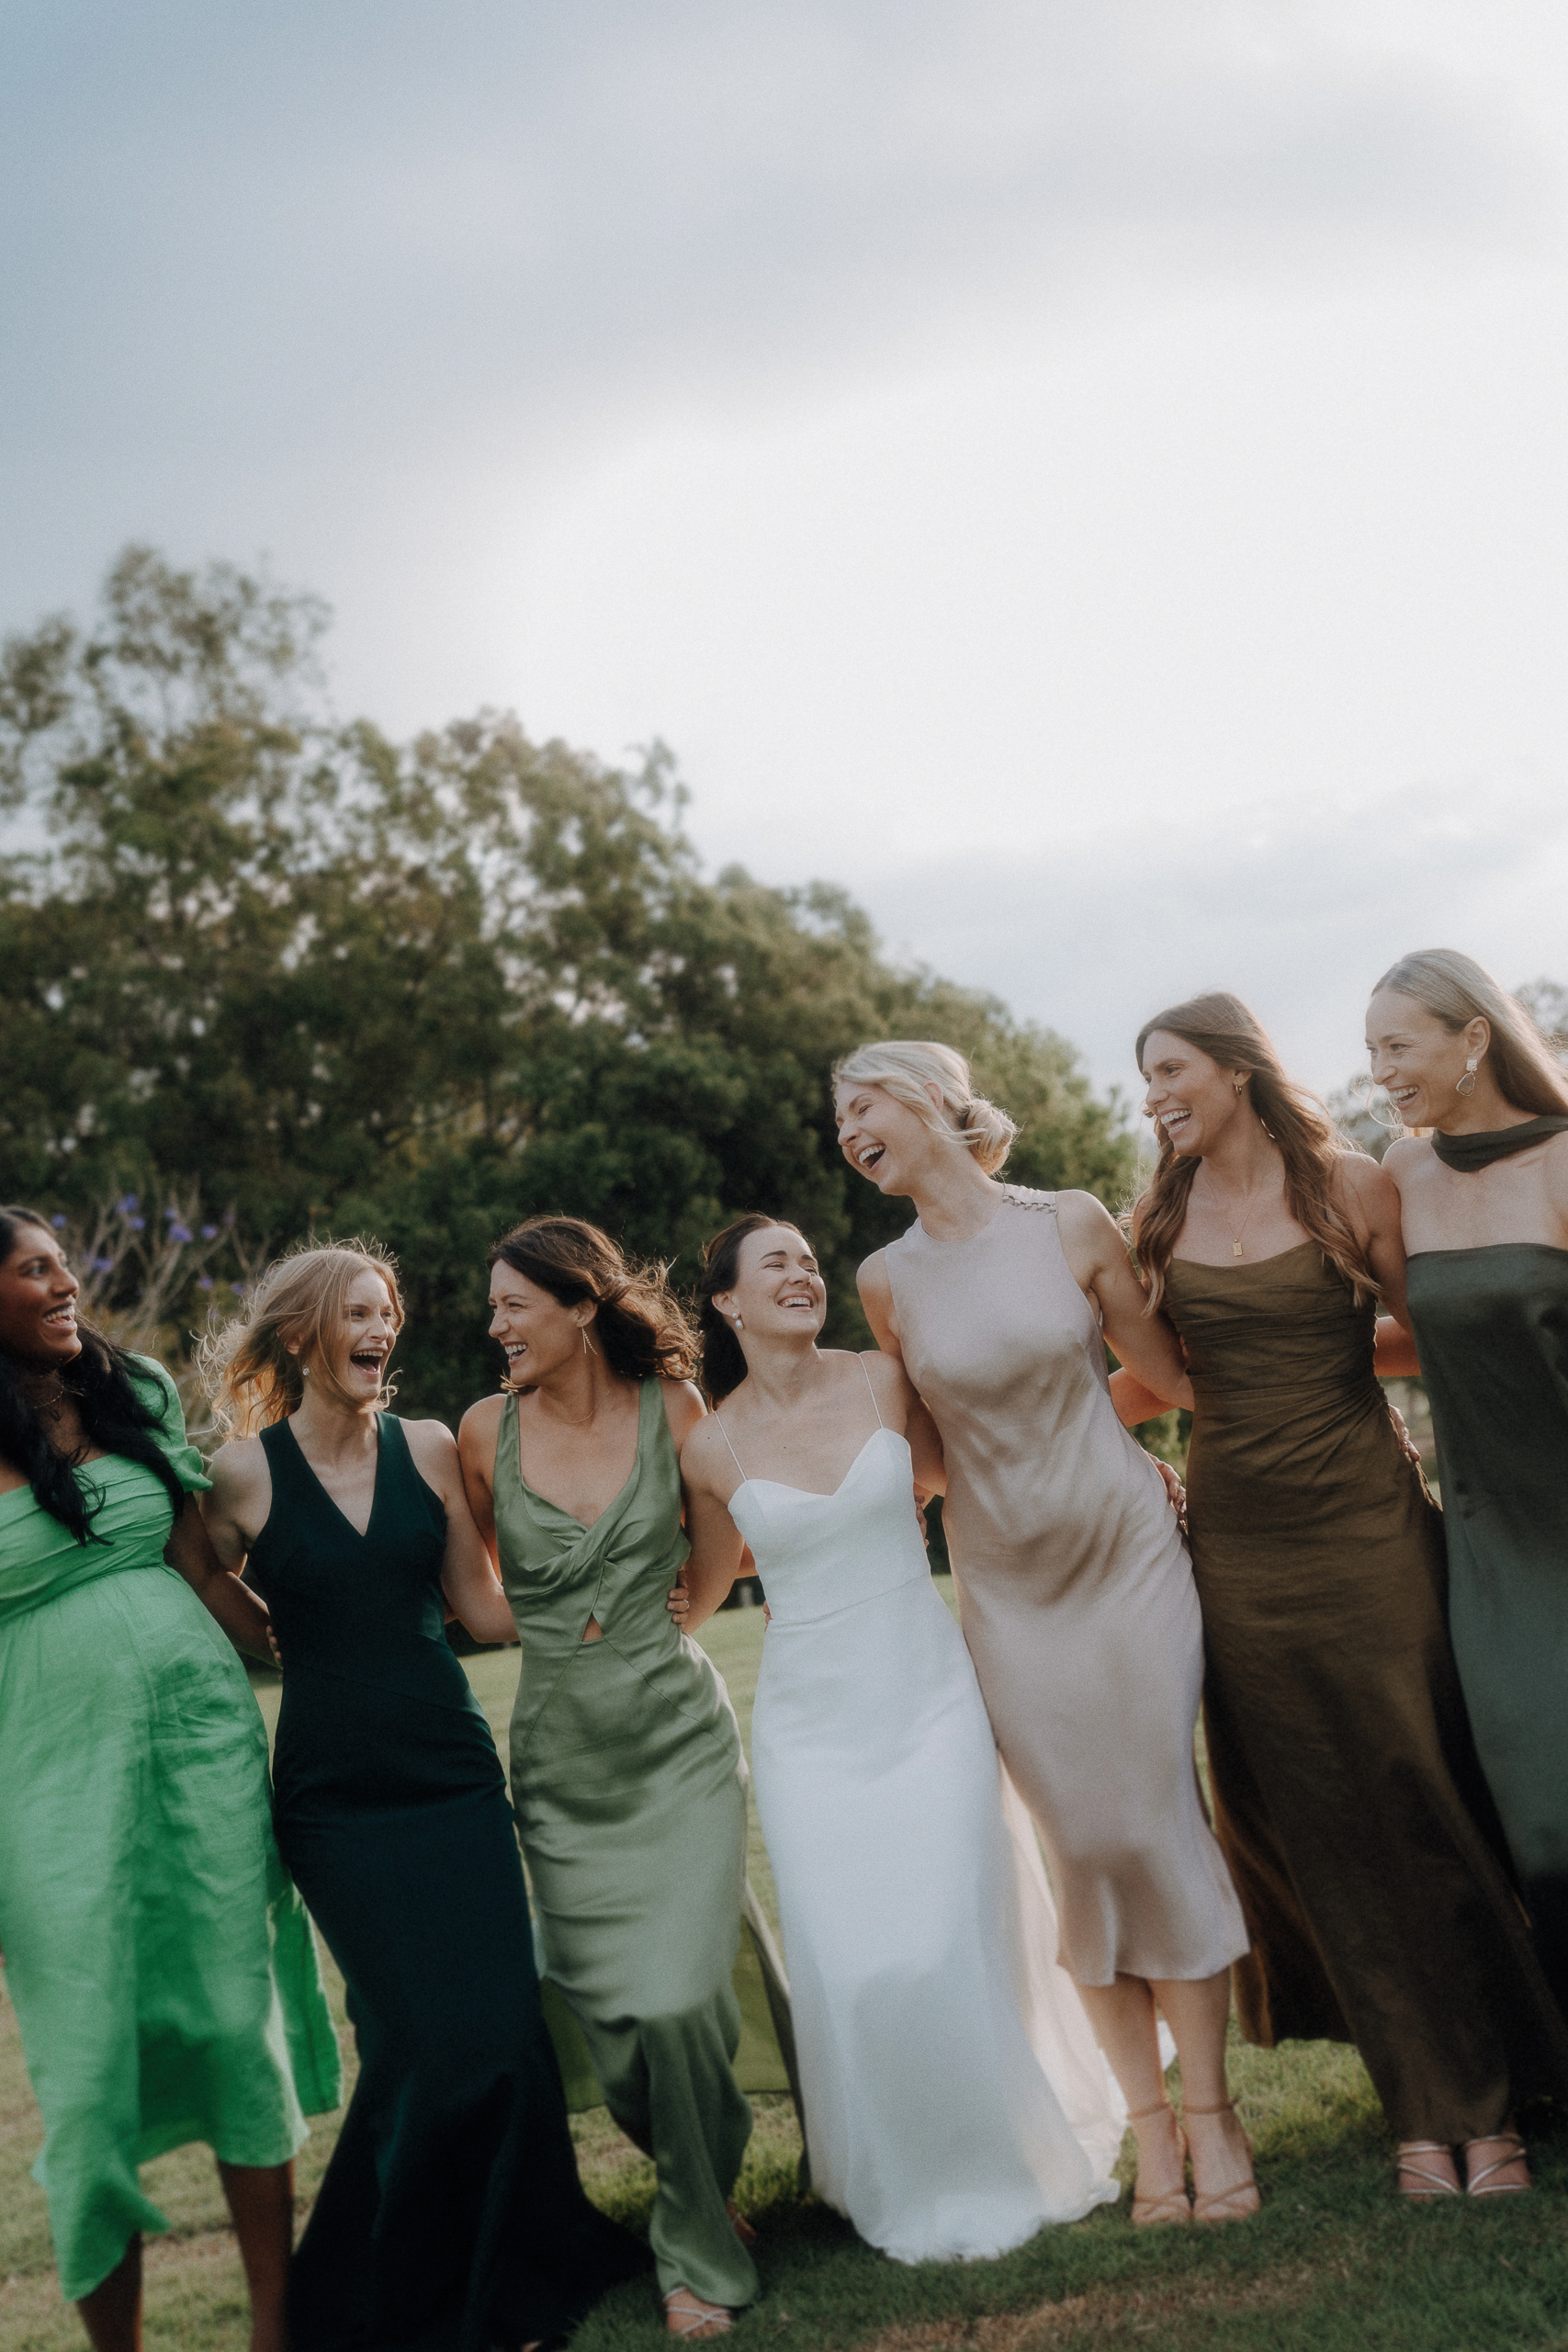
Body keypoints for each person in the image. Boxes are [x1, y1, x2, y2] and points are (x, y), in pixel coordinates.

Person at [1118, 993, 1568, 2203]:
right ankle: (1420, 2116)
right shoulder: (1152, 1217)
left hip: (1368, 1524)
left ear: (1231, 1069)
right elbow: (1152, 1378)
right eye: (1141, 1078)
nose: (1150, 1093)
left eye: (1166, 1069)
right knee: (1324, 1834)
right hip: (1239, 1553)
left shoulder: (1352, 1184)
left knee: (1425, 1795)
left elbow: (1426, 1334)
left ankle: (1496, 2098)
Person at [835, 1043, 1256, 2229]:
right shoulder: (885, 1279)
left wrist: (1138, 1454)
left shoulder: (1068, 1222)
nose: (847, 1131)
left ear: (924, 1102)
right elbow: (920, 1454)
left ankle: (1214, 2117)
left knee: (1148, 1821)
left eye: (860, 1105)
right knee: (1081, 1849)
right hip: (1008, 1591)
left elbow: (1164, 1375)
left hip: (1124, 1558)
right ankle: (1146, 2131)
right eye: (839, 1121)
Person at [201, 1240, 644, 2352]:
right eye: (358, 1310)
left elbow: (484, 1612)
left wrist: (611, 1591)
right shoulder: (240, 1474)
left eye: (388, 1311)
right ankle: (374, 2296)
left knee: (499, 2034)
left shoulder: (434, 1446)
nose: (381, 1328)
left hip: (449, 1775)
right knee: (417, 2044)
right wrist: (276, 1637)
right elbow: (200, 1577)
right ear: (304, 1331)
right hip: (333, 1799)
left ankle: (525, 2266)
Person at [675, 1213, 1123, 2261]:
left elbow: (961, 1478)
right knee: (856, 1950)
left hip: (925, 1688)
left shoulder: (886, 1376)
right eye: (773, 1263)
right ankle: (896, 2164)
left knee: (943, 1928)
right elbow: (701, 1589)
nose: (802, 1272)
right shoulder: (709, 1443)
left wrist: (1108, 1489)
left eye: (808, 1260)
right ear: (729, 1302)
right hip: (808, 1725)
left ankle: (1005, 2144)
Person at [0, 1205, 340, 2352]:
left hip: (199, 1748)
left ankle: (275, 2330)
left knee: (234, 2026)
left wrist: (324, 1630)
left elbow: (199, 1564)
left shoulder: (129, 1389)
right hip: (43, 1779)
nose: (65, 1284)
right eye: (34, 1270)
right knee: (89, 2078)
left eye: (63, 1264)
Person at [457, 1217, 772, 2343]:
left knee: (681, 1995)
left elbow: (719, 1547)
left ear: (580, 1306)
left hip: (676, 1740)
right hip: (560, 1754)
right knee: (614, 2016)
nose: (496, 1328)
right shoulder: (483, 1431)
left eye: (512, 1306)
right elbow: (482, 1599)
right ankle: (703, 2177)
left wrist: (665, 1610)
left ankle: (692, 2242)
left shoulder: (673, 1411)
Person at [1367, 949, 1568, 2039]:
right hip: (1495, 1538)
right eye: (1371, 1053)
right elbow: (1422, 1336)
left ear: (1473, 1037)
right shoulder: (1406, 1171)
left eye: (1399, 1046)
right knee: (1539, 1792)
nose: (1381, 1071)